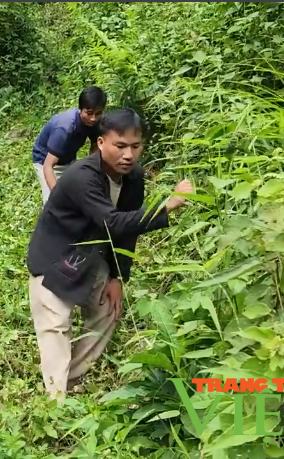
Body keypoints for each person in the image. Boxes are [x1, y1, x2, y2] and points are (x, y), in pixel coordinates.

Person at [25, 108, 193, 400]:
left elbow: (127, 229)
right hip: (54, 258)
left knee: (108, 311)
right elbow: (112, 222)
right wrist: (167, 205)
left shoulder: (133, 177)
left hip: (90, 256)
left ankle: (72, 378)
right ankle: (53, 404)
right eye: (120, 146)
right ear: (101, 143)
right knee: (55, 326)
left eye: (135, 146)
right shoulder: (82, 176)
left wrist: (118, 276)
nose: (128, 154)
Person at [31, 86, 107, 203]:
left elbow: (94, 144)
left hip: (67, 160)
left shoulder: (95, 122)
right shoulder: (64, 128)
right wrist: (57, 195)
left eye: (98, 113)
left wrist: (91, 167)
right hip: (45, 161)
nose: (93, 118)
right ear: (80, 109)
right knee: (53, 202)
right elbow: (48, 166)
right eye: (89, 113)